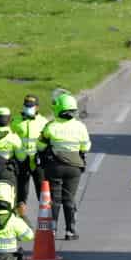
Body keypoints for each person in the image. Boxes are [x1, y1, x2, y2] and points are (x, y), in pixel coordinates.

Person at [37, 92, 91, 240]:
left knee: (54, 199)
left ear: (58, 108)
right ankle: (70, 231)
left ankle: (53, 230)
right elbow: (86, 147)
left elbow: (40, 146)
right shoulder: (80, 126)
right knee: (69, 198)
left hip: (54, 167)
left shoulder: (51, 126)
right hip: (74, 168)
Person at [11, 95, 49, 217]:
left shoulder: (43, 122)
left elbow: (47, 141)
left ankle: (46, 218)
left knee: (42, 190)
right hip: (21, 160)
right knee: (21, 192)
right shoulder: (15, 121)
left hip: (37, 161)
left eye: (31, 106)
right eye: (26, 105)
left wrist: (44, 155)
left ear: (37, 107)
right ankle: (21, 219)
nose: (28, 108)